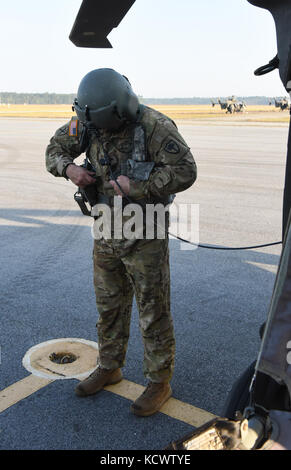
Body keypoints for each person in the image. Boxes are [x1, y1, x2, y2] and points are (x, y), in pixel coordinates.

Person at [45, 68, 197, 416]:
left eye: (101, 124)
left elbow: (186, 170)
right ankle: (110, 366)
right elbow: (54, 148)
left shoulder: (155, 126)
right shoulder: (88, 120)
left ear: (119, 110)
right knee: (108, 304)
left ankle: (159, 382)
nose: (94, 130)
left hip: (145, 231)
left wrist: (138, 187)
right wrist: (70, 169)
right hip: (105, 228)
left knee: (152, 309)